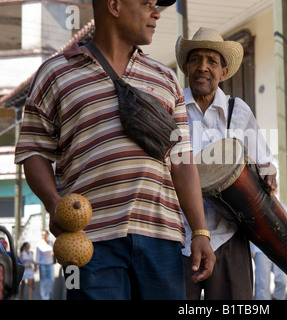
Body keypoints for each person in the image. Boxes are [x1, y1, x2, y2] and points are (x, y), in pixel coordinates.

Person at [14, 0, 215, 300]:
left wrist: (200, 231)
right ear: (115, 5)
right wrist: (53, 203)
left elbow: (182, 161)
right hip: (87, 243)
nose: (156, 12)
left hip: (162, 240)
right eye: (147, 3)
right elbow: (33, 152)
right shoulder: (55, 74)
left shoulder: (166, 79)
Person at [175, 27, 277, 300]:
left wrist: (268, 173)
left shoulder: (239, 111)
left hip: (229, 238)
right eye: (196, 59)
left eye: (212, 61)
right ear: (186, 67)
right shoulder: (171, 109)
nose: (203, 68)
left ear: (223, 70)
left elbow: (265, 163)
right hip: (179, 239)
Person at [35, 231, 54, 300]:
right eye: (42, 235)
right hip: (42, 265)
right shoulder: (39, 243)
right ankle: (44, 297)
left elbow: (53, 252)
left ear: (47, 235)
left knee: (51, 280)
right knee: (43, 281)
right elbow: (37, 255)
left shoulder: (51, 243)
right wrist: (36, 265)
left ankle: (49, 295)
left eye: (45, 235)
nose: (44, 236)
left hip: (50, 263)